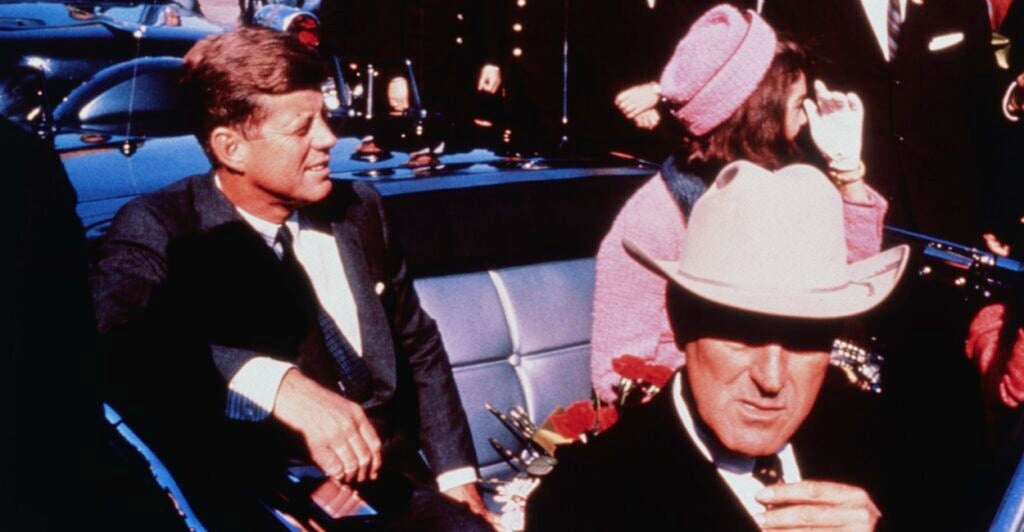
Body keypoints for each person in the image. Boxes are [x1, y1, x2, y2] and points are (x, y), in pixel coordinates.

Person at [90, 28, 492, 530]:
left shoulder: (359, 209)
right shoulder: (164, 227)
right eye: (302, 128)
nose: (328, 139)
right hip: (260, 495)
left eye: (324, 118)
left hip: (394, 488)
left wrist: (456, 477)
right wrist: (276, 384)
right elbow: (108, 341)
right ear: (231, 148)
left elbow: (418, 344)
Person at [527, 160, 911, 530]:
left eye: (803, 340)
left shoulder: (881, 439)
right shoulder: (586, 501)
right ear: (681, 323)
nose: (771, 379)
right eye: (744, 335)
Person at [590, 5, 888, 403]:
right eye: (798, 104)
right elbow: (616, 374)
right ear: (759, 110)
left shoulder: (782, 185)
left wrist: (847, 169)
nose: (805, 121)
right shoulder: (655, 218)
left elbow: (848, 280)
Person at [762, 0, 999, 245]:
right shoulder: (796, 7)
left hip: (949, 221)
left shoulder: (960, 5)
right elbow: (774, 116)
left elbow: (984, 111)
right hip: (842, 221)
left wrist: (996, 218)